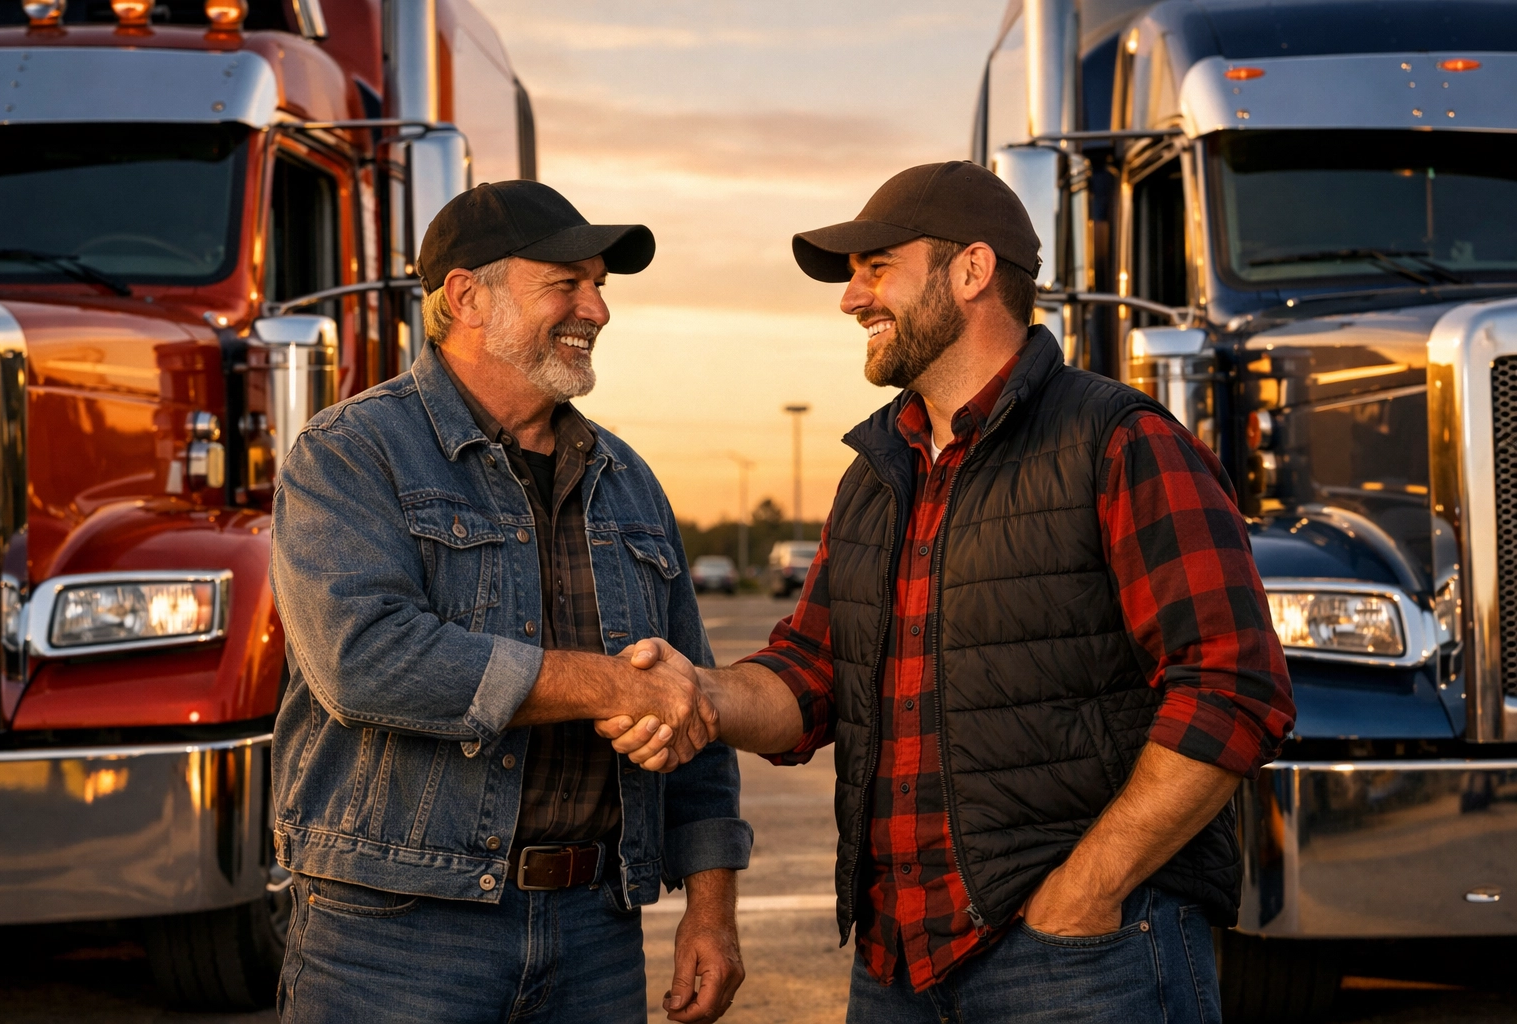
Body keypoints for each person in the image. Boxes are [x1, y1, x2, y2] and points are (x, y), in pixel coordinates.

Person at [603, 162, 1296, 1023]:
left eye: (875, 267)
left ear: (970, 272)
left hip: (1082, 963)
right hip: (896, 965)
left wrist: (1084, 893)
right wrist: (694, 691)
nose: (851, 300)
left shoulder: (1120, 442)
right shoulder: (876, 477)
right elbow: (812, 674)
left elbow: (1233, 688)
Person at [269, 180, 749, 1024]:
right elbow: (366, 660)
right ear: (465, 297)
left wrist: (711, 912)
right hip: (397, 935)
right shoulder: (350, 454)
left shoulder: (628, 482)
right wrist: (609, 686)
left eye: (599, 285)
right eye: (566, 283)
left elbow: (690, 709)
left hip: (595, 933)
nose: (597, 309)